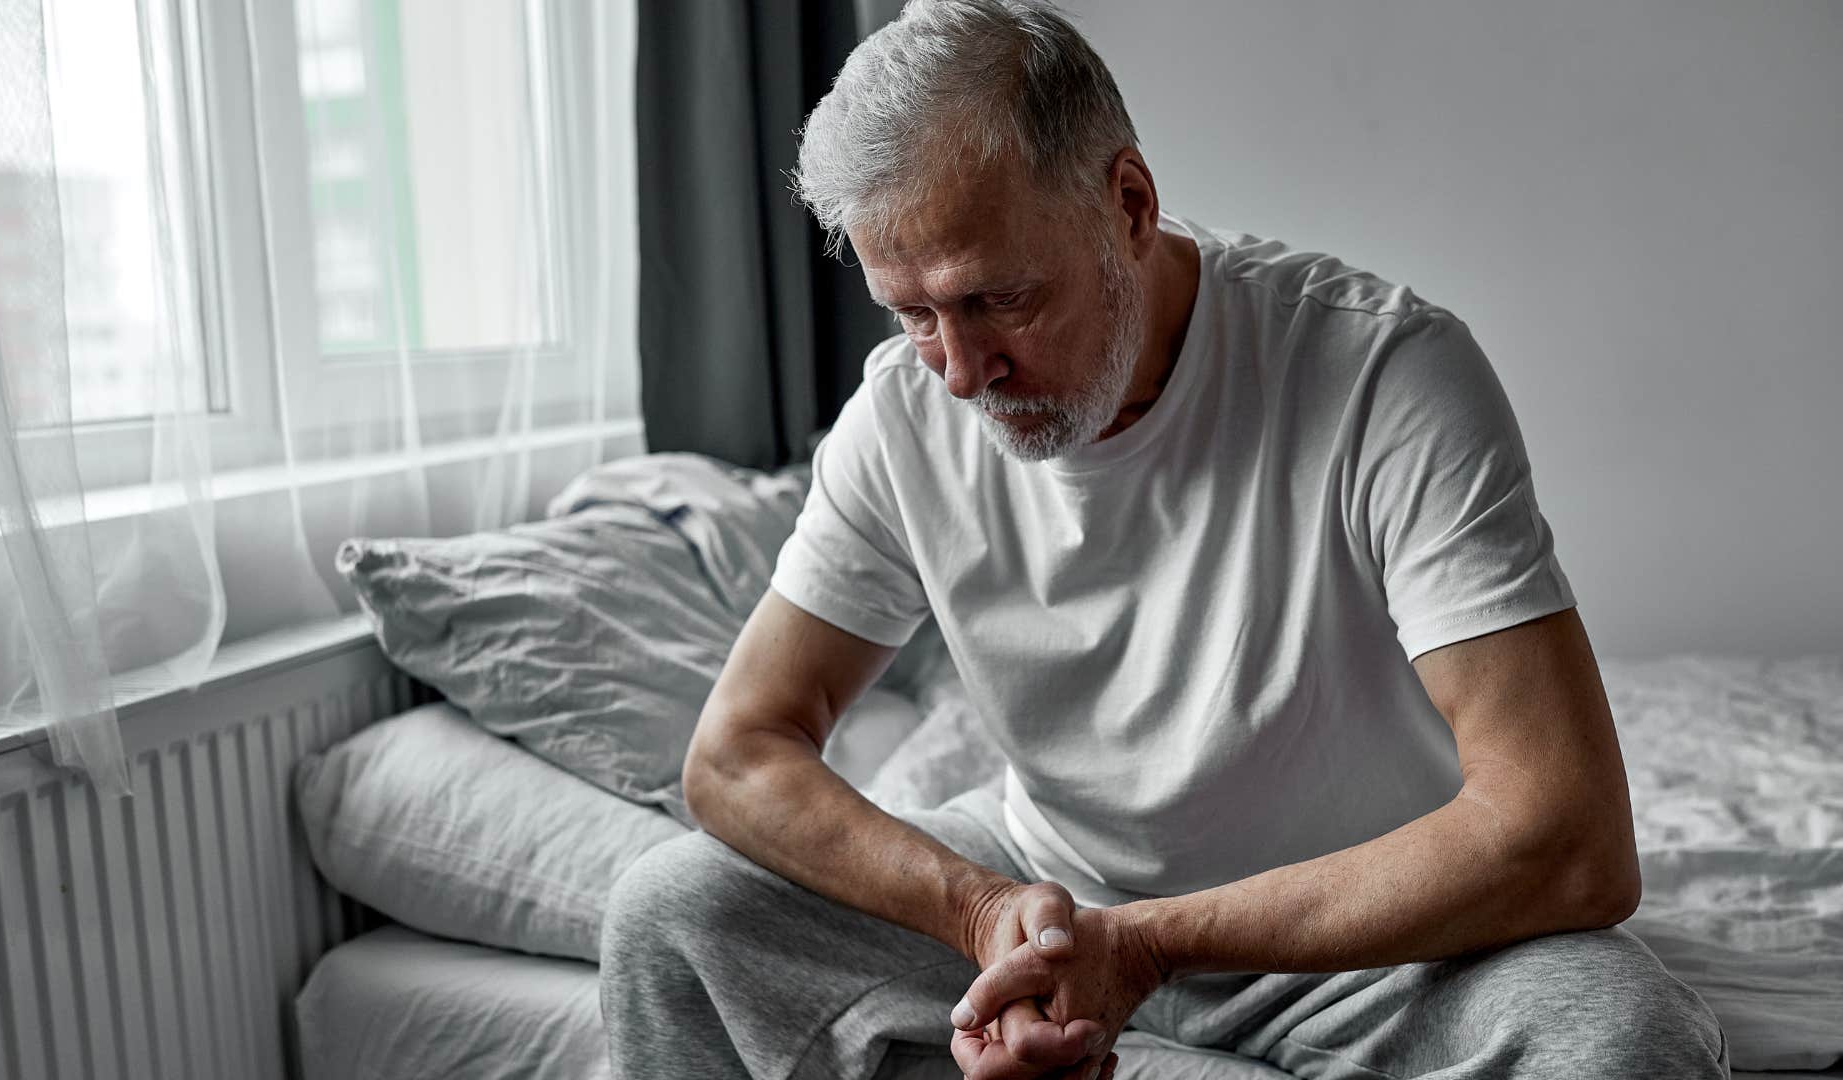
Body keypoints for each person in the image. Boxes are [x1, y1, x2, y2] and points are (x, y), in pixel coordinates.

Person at [600, 2, 1730, 1078]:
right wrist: (982, 909)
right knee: (672, 910)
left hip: (1367, 936)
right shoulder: (903, 417)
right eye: (913, 313)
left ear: (1128, 204)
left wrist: (1147, 946)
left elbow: (1570, 832)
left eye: (999, 298)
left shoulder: (1386, 376)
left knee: (1623, 1037)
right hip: (1046, 902)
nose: (958, 369)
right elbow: (738, 752)